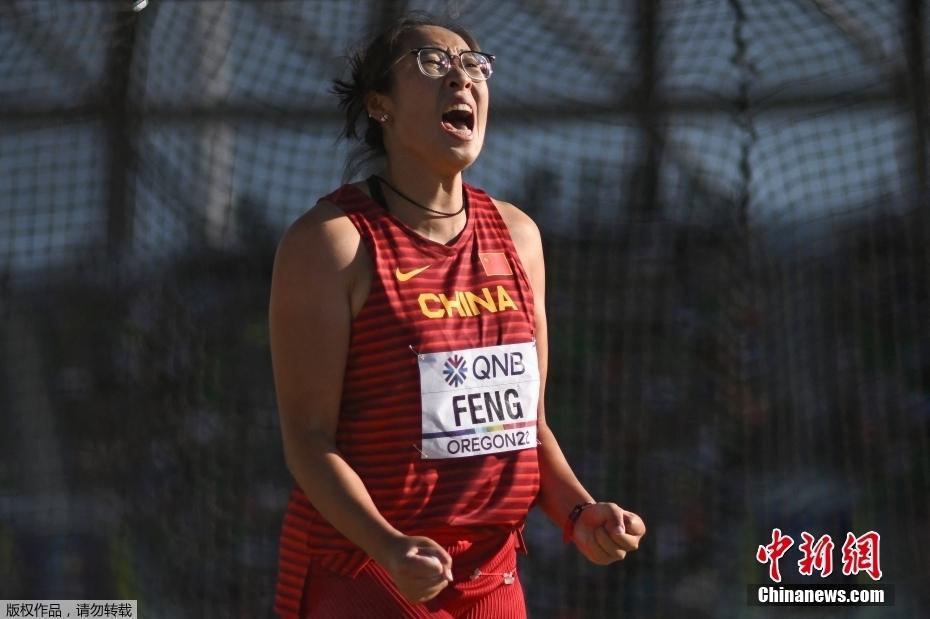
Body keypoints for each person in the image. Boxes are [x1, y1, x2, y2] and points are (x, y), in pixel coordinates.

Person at [269, 13, 645, 619]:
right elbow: (308, 443)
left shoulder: (519, 236)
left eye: (474, 66)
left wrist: (579, 513)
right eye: (432, 64)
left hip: (492, 585)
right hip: (367, 577)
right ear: (379, 105)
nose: (461, 79)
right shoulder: (331, 243)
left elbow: (529, 426)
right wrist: (389, 548)